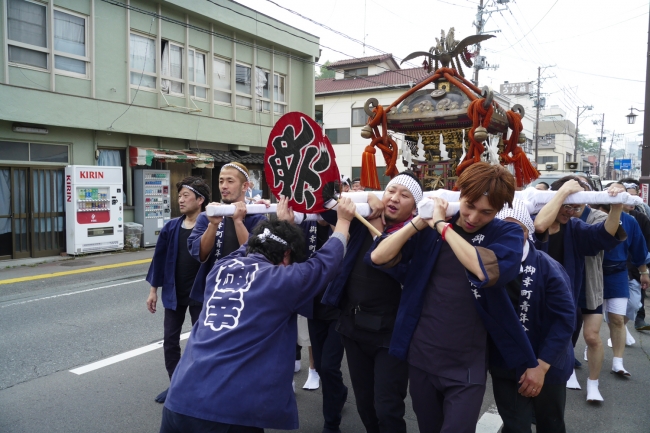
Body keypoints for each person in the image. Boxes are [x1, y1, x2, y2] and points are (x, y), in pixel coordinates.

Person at [160, 197, 358, 433]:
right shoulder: (280, 281)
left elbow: (252, 246)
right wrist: (344, 221)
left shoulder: (221, 268)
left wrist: (281, 228)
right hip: (229, 412)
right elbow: (326, 262)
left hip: (179, 400)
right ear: (286, 256)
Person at [369, 162, 537, 433]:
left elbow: (484, 270)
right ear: (460, 194)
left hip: (466, 364)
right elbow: (378, 256)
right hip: (422, 355)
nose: (472, 217)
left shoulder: (507, 232)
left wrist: (441, 227)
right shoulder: (430, 228)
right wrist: (419, 221)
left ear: (498, 211)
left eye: (486, 212)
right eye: (469, 205)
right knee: (428, 428)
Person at [320, 171, 421, 433]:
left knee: (387, 407)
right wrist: (367, 195)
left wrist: (380, 233)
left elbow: (394, 267)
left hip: (392, 335)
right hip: (353, 327)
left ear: (415, 206)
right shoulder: (362, 218)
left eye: (404, 195)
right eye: (391, 191)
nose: (395, 198)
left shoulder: (418, 234)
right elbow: (323, 201)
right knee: (365, 405)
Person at [533, 176, 626, 391]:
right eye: (567, 205)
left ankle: (551, 397)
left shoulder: (575, 227)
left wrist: (616, 206)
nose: (571, 211)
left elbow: (603, 235)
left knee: (556, 359)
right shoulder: (530, 218)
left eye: (577, 207)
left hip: (563, 305)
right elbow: (539, 226)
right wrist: (564, 191)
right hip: (532, 301)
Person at [490, 200, 575, 433]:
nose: (507, 236)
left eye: (515, 229)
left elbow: (564, 319)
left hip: (549, 362)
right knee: (516, 426)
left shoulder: (549, 268)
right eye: (500, 228)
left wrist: (541, 366)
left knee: (551, 425)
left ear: (527, 232)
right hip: (507, 364)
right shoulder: (486, 266)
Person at [145, 177, 210, 403]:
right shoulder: (172, 227)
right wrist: (153, 290)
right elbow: (159, 260)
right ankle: (175, 385)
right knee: (170, 341)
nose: (180, 200)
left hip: (200, 294)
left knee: (199, 342)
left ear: (200, 200)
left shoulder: (211, 225)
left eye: (186, 196)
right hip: (174, 293)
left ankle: (197, 387)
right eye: (179, 196)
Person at [188, 162, 267, 304]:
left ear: (245, 186)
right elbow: (200, 254)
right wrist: (213, 224)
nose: (224, 186)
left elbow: (255, 257)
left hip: (247, 292)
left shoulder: (258, 218)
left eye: (230, 181)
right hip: (212, 292)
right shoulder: (207, 216)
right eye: (221, 181)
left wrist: (238, 222)